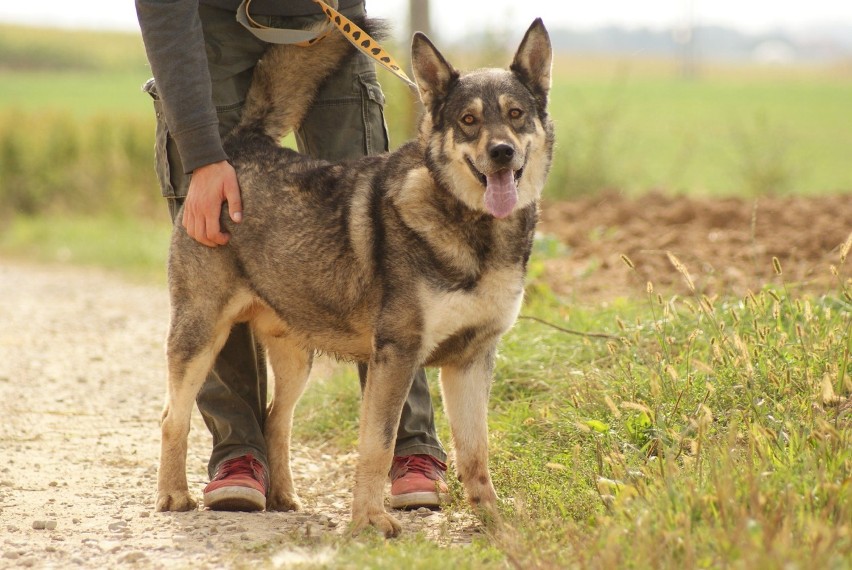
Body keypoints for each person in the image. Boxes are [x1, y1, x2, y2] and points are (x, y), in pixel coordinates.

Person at [135, 0, 448, 512]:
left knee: (389, 229)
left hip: (329, 11)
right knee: (218, 226)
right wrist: (202, 154)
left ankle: (411, 449)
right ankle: (238, 452)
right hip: (209, 19)